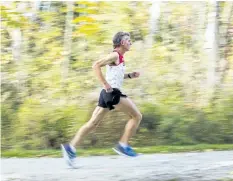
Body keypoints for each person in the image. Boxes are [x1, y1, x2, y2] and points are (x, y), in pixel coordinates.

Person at [61, 31, 142, 167]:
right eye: (128, 40)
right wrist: (105, 84)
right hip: (112, 93)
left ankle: (70, 148)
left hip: (106, 94)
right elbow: (96, 65)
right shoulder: (115, 54)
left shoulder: (119, 57)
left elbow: (116, 76)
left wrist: (130, 75)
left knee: (92, 124)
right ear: (122, 43)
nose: (130, 42)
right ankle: (123, 145)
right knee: (137, 116)